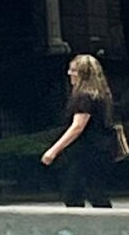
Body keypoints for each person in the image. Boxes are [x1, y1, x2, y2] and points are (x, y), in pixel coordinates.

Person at [40, 52, 121, 210]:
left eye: (73, 70)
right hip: (100, 150)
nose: (69, 73)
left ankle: (82, 228)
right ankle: (107, 227)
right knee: (94, 191)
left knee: (74, 192)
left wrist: (53, 150)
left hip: (83, 152)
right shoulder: (102, 96)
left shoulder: (83, 97)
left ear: (83, 75)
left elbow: (77, 127)